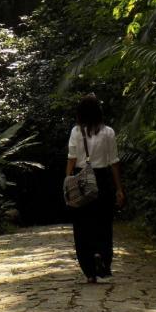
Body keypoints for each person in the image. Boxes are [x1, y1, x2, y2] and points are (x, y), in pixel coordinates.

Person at [65, 94, 125, 283]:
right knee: (104, 223)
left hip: (82, 179)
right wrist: (119, 188)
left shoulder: (76, 132)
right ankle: (102, 256)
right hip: (102, 179)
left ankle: (89, 269)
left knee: (82, 225)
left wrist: (68, 181)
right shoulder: (108, 132)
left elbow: (72, 158)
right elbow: (114, 162)